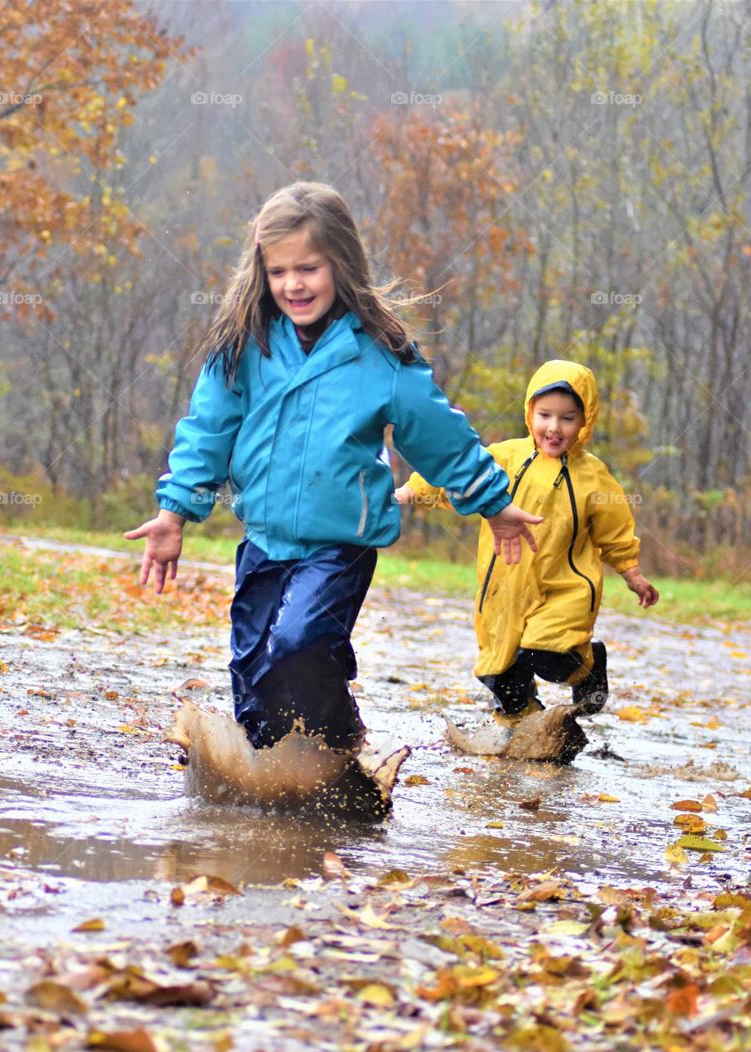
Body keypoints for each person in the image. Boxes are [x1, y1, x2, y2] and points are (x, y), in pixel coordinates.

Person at [125, 181, 542, 752]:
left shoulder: (381, 355)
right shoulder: (245, 345)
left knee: (298, 644)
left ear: (341, 264)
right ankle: (266, 769)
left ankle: (340, 745)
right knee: (251, 671)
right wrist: (175, 512)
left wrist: (491, 502)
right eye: (279, 272)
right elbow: (207, 431)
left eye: (309, 269)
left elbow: (441, 437)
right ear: (261, 273)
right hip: (265, 541)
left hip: (340, 545)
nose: (293, 284)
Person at [396, 359, 659, 722]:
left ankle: (588, 666)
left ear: (585, 421)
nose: (554, 427)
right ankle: (533, 731)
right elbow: (457, 473)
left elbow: (614, 531)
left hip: (563, 588)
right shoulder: (505, 457)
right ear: (530, 413)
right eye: (545, 415)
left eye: (567, 418)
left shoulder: (593, 478)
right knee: (498, 670)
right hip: (502, 587)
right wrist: (411, 491)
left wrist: (632, 572)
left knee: (549, 654)